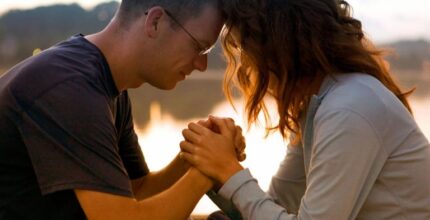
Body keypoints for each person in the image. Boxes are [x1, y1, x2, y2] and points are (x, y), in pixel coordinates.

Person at [179, 0, 430, 219]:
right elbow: (277, 205)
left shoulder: (349, 108)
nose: (245, 64)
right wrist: (213, 166)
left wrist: (228, 170)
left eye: (245, 48)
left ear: (277, 46)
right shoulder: (319, 104)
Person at [0, 0, 246, 219]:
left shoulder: (106, 84)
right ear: (155, 22)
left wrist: (194, 156)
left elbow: (137, 191)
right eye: (199, 47)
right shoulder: (70, 89)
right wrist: (209, 168)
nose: (202, 65)